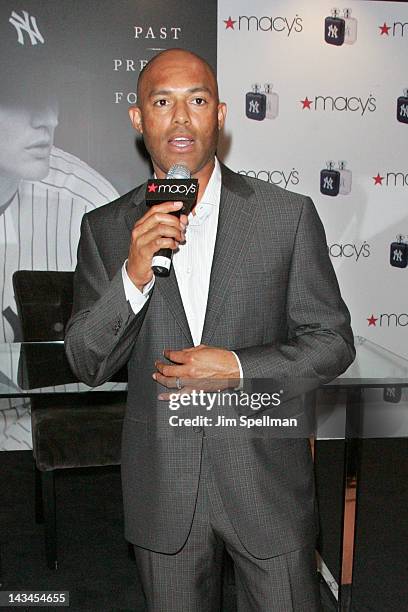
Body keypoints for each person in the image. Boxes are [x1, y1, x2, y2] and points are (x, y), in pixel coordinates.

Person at [65, 49, 355, 611]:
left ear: (219, 115)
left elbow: (333, 340)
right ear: (137, 118)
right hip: (163, 491)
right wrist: (133, 275)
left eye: (196, 101)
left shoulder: (284, 215)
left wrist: (240, 367)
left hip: (265, 480)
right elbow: (85, 361)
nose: (180, 119)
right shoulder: (106, 230)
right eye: (162, 102)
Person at [0, 11, 119, 450]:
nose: (48, 118)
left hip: (38, 451)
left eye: (50, 96)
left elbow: (118, 369)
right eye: (21, 98)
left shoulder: (85, 204)